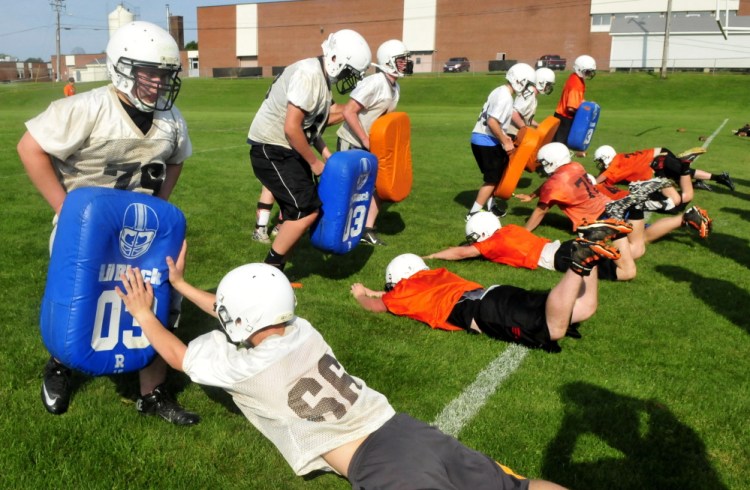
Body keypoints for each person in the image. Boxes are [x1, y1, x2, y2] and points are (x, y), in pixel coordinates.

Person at [115, 247, 566, 489]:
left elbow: (178, 355)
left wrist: (144, 312)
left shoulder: (242, 370)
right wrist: (181, 284)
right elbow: (238, 312)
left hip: (377, 461)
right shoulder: (303, 328)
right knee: (518, 487)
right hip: (403, 428)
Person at [16, 21, 199, 425]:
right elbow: (30, 147)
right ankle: (61, 366)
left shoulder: (171, 118)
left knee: (159, 303)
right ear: (121, 68)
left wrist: (160, 211)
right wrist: (66, 213)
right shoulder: (88, 107)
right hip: (84, 233)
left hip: (141, 232)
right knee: (77, 301)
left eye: (166, 74)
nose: (160, 83)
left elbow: (176, 159)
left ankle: (152, 392)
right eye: (150, 72)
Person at [247, 29, 371, 270]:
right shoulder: (309, 74)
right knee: (305, 211)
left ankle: (277, 270)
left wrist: (327, 156)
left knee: (303, 211)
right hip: (272, 147)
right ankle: (269, 270)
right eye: (349, 71)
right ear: (335, 59)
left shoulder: (320, 78)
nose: (349, 78)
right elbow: (292, 128)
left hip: (284, 148)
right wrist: (315, 163)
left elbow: (310, 129)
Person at [352, 244, 608, 353]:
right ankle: (592, 256)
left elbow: (376, 305)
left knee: (553, 329)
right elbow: (392, 295)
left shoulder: (403, 292)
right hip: (496, 293)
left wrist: (362, 294)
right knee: (583, 308)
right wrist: (379, 292)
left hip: (484, 310)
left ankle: (579, 262)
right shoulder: (435, 275)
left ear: (395, 280)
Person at [515, 142, 711, 280]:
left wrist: (524, 232)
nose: (542, 169)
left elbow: (540, 212)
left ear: (551, 162)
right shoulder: (575, 166)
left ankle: (672, 212)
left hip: (601, 220)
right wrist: (532, 195)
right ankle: (682, 216)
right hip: (609, 205)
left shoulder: (555, 184)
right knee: (640, 239)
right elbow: (550, 185)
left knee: (636, 248)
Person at [336, 39, 410, 246]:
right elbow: (348, 111)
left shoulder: (395, 87)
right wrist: (365, 139)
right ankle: (334, 228)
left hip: (372, 144)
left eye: (405, 59)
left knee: (376, 188)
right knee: (348, 189)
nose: (405, 63)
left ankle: (365, 229)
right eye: (401, 59)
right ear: (388, 61)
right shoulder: (375, 82)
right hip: (352, 141)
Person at [425, 211, 635, 281]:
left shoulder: (493, 242)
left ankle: (615, 230)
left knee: (627, 272)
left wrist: (433, 255)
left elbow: (462, 253)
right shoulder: (510, 229)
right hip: (564, 247)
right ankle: (610, 232)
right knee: (631, 256)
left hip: (562, 258)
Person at [467, 62, 537, 221]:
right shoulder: (505, 96)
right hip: (486, 140)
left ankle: (490, 207)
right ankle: (473, 214)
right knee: (492, 179)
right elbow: (492, 121)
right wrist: (505, 140)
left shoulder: (500, 90)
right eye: (527, 84)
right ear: (519, 80)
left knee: (496, 176)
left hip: (483, 139)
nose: (527, 89)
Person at [593, 145, 735, 208]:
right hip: (659, 154)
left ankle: (718, 178)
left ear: (606, 157)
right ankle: (709, 180)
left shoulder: (613, 167)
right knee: (682, 174)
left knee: (683, 173)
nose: (600, 164)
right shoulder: (618, 159)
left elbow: (601, 179)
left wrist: (590, 182)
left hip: (659, 158)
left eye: (600, 160)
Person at [552, 55, 596, 148]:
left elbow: (578, 100)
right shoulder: (576, 84)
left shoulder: (575, 78)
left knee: (558, 145)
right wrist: (586, 111)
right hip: (565, 118)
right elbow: (571, 108)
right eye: (587, 72)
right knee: (559, 146)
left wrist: (586, 104)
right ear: (580, 69)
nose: (588, 74)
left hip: (561, 117)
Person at [507, 67, 556, 139]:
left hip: (515, 131)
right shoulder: (530, 94)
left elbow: (525, 117)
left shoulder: (532, 94)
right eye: (548, 84)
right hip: (511, 133)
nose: (548, 87)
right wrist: (525, 129)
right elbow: (514, 113)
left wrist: (537, 125)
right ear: (541, 82)